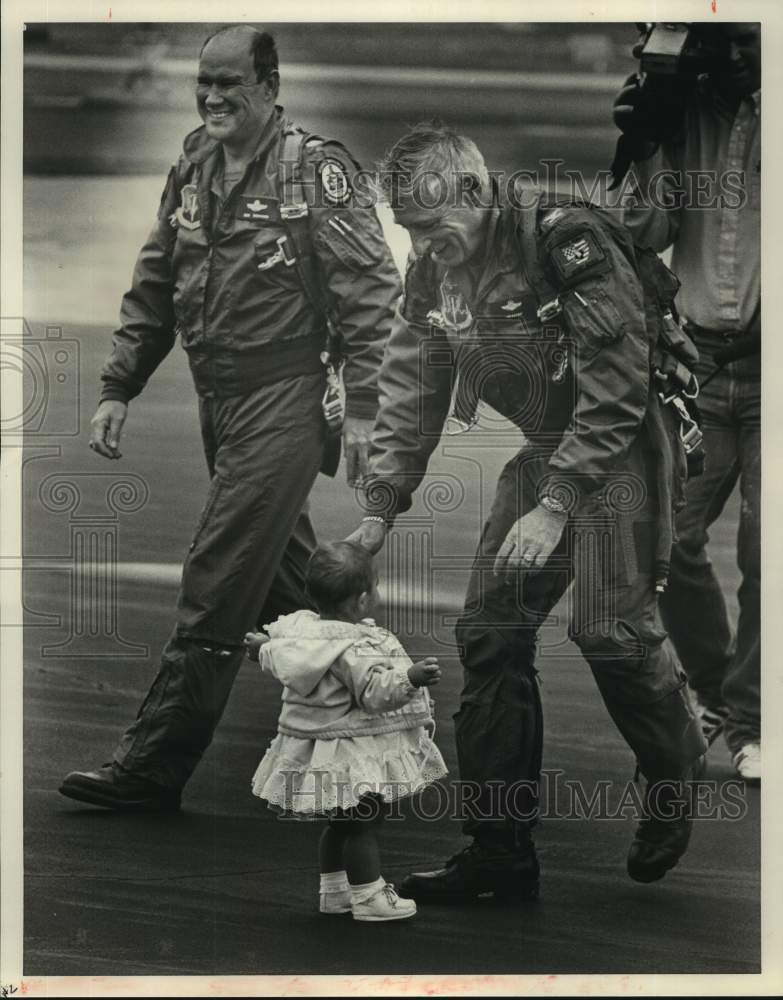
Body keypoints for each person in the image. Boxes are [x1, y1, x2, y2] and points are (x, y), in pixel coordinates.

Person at [348, 122, 707, 902]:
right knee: (488, 634)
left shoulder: (567, 240)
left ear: (475, 192)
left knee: (609, 633)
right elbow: (413, 384)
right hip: (549, 444)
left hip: (622, 446)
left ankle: (674, 768)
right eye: (407, 228)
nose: (420, 243)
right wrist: (379, 507)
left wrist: (553, 506)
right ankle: (499, 849)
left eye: (430, 225)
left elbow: (617, 389)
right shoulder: (435, 262)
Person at [59, 25, 401, 811]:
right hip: (221, 403)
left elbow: (371, 297)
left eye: (229, 85)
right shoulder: (194, 164)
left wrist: (365, 413)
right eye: (202, 84)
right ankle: (381, 720)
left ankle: (153, 766)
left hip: (283, 402)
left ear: (270, 84)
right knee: (291, 591)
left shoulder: (318, 172)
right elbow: (155, 279)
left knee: (216, 581)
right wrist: (118, 384)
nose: (212, 97)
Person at [616, 22, 761, 782]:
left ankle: (752, 717)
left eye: (748, 39)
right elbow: (646, 228)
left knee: (766, 550)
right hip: (696, 361)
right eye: (717, 43)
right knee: (668, 541)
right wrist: (644, 138)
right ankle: (714, 695)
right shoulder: (681, 109)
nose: (732, 57)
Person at [244, 541, 447, 921]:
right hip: (353, 749)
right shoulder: (356, 646)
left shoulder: (300, 633)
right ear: (363, 601)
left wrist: (260, 649)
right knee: (363, 823)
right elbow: (374, 693)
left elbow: (277, 652)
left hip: (320, 747)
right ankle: (370, 896)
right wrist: (410, 677)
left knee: (340, 822)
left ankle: (334, 890)